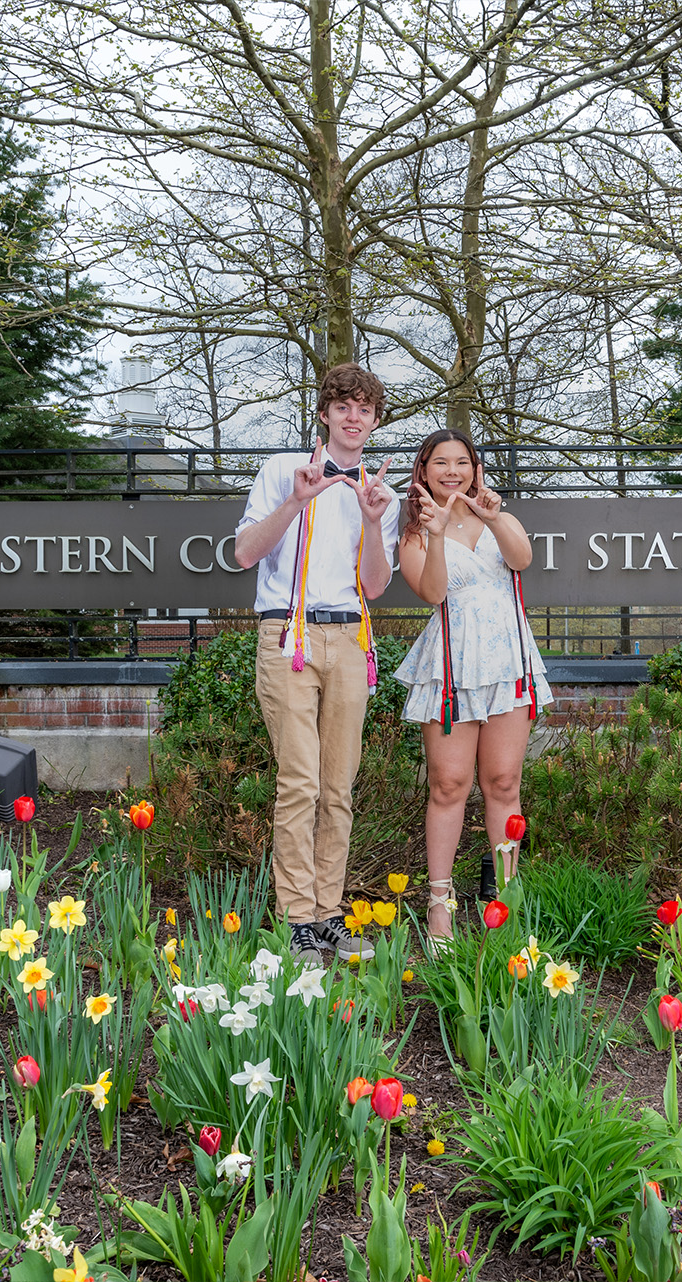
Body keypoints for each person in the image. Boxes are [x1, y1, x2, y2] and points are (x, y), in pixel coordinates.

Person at [233, 363, 401, 964]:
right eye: (343, 406)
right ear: (326, 413)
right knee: (299, 781)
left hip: (352, 640)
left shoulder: (380, 489)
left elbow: (378, 586)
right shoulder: (284, 470)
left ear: (375, 420)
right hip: (291, 635)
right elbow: (243, 552)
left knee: (338, 787)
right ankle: (297, 917)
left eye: (365, 409)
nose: (354, 417)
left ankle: (328, 914)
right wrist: (297, 501)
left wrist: (377, 522)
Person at [393, 428, 551, 944]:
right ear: (424, 471)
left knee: (504, 783)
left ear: (476, 468)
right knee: (448, 784)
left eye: (463, 461)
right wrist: (437, 533)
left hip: (508, 661)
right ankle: (440, 904)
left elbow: (522, 559)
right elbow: (432, 591)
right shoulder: (414, 535)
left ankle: (506, 903)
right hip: (452, 666)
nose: (453, 471)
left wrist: (493, 516)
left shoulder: (498, 515)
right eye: (441, 463)